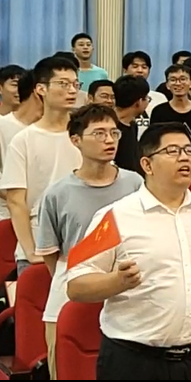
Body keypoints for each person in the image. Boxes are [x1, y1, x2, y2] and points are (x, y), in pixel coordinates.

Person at [66, 122, 191, 380]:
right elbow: (76, 285)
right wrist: (116, 282)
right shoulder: (114, 216)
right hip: (134, 362)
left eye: (189, 150)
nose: (184, 157)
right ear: (147, 165)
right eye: (172, 151)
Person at [36, 104, 143, 379]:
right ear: (76, 140)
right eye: (99, 133)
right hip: (69, 290)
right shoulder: (57, 193)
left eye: (114, 133)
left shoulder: (135, 184)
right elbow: (50, 252)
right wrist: (77, 278)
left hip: (126, 290)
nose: (109, 140)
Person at [0, 56, 82, 273]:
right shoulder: (24, 140)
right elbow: (16, 201)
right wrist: (29, 250)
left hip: (81, 247)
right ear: (41, 89)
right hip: (38, 245)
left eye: (75, 84)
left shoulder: (85, 135)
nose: (72, 90)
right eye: (63, 84)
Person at [150, 64, 191, 181]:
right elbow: (155, 144)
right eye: (173, 80)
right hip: (167, 167)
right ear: (167, 85)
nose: (178, 83)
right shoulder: (159, 111)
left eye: (183, 79)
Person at [121, 51, 166, 135]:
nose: (140, 70)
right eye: (135, 66)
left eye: (144, 67)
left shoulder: (160, 98)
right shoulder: (118, 95)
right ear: (125, 70)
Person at [112, 76, 151, 175]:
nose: (147, 102)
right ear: (139, 102)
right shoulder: (110, 127)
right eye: (147, 98)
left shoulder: (132, 124)